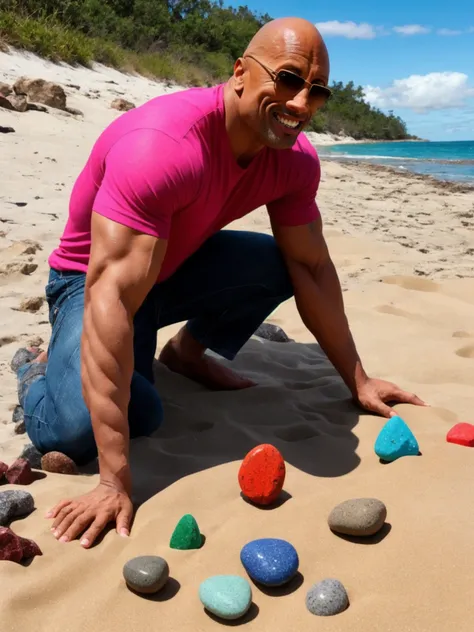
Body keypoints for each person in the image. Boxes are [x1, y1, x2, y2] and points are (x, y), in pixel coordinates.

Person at [14, 16, 426, 549]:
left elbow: (313, 268)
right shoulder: (161, 147)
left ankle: (186, 353)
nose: (301, 103)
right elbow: (111, 294)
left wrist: (359, 379)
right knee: (90, 426)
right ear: (239, 73)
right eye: (287, 78)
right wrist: (115, 482)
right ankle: (33, 372)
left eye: (316, 90)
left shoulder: (293, 160)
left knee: (283, 263)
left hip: (171, 265)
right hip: (86, 282)